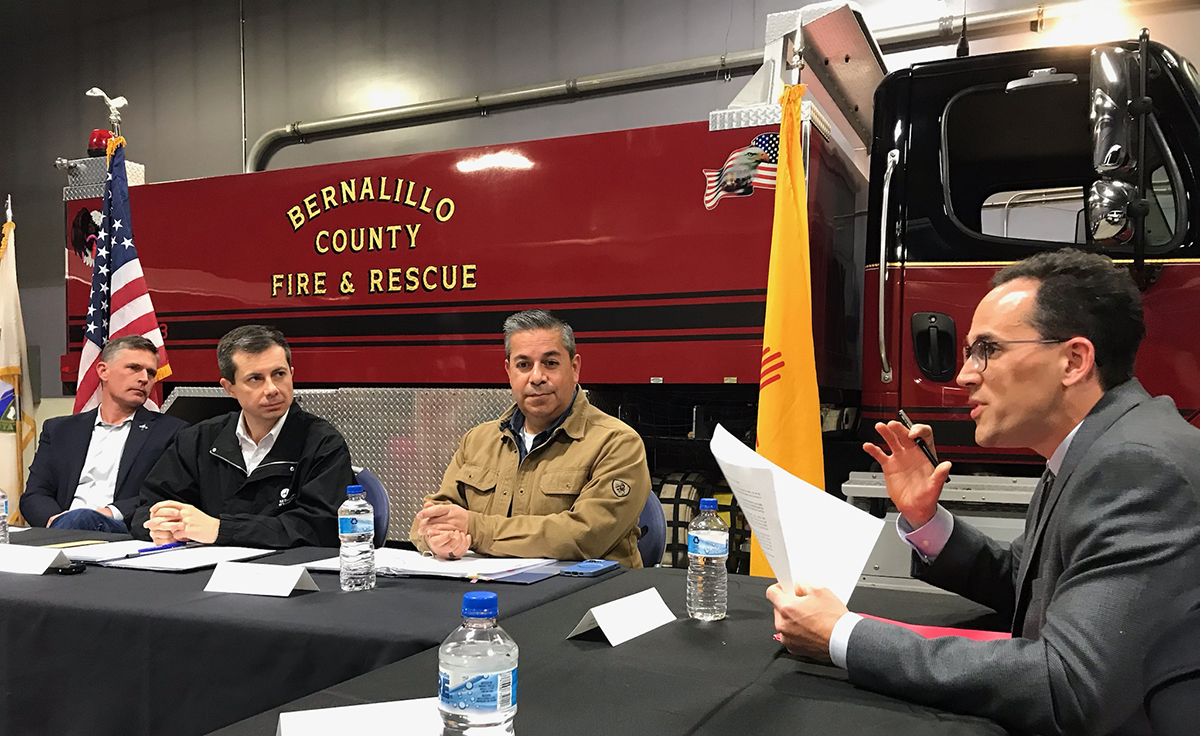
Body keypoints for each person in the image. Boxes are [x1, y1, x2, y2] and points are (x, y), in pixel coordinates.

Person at [767, 249, 1200, 735]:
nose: (965, 375)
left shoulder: (1138, 466)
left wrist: (843, 635)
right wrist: (927, 520)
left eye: (988, 350)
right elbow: (1027, 580)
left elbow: (1066, 685)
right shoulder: (1104, 444)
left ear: (1074, 360)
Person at [410, 309, 651, 567]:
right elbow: (428, 519)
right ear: (509, 372)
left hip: (584, 598)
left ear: (575, 368)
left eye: (550, 363)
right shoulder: (477, 440)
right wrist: (439, 540)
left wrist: (475, 528)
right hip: (490, 591)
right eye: (524, 365)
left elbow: (585, 536)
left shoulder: (617, 444)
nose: (537, 377)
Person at [130, 325, 355, 548]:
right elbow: (147, 508)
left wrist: (220, 530)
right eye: (255, 378)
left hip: (288, 574)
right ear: (229, 388)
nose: (272, 389)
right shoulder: (198, 439)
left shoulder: (323, 442)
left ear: (292, 374)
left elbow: (323, 527)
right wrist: (162, 527)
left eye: (279, 374)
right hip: (204, 573)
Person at [21, 336, 186, 533]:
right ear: (103, 371)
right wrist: (56, 522)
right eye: (134, 368)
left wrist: (109, 512)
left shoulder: (170, 432)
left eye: (151, 373)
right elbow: (35, 495)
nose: (144, 378)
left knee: (84, 517)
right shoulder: (59, 430)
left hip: (122, 532)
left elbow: (164, 496)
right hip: (60, 532)